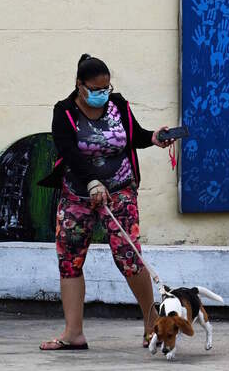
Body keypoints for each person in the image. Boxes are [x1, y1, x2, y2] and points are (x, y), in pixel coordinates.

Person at [40, 54, 174, 351]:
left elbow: (131, 136)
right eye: (96, 88)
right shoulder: (64, 112)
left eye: (107, 87)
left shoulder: (119, 104)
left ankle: (150, 325)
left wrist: (152, 137)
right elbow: (69, 153)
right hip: (77, 194)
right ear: (80, 85)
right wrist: (91, 180)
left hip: (120, 192)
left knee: (129, 256)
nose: (103, 93)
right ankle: (73, 332)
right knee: (70, 260)